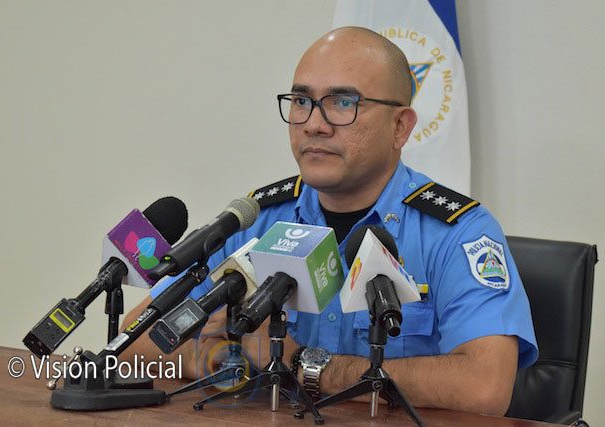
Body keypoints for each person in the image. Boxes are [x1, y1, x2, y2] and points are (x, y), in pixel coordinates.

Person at [121, 26, 537, 416]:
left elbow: (485, 388)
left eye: (343, 103)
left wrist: (303, 365)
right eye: (302, 101)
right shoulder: (256, 221)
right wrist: (215, 358)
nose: (314, 125)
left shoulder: (456, 232)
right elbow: (133, 339)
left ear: (400, 127)